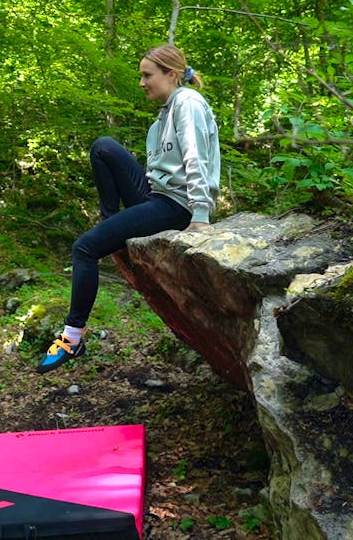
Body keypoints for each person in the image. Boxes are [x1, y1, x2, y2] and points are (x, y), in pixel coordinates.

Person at [37, 44, 221, 374]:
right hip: (158, 197)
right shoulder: (165, 113)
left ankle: (72, 338)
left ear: (171, 74)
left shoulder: (188, 103)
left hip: (178, 207)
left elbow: (197, 159)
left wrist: (201, 217)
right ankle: (112, 226)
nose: (141, 82)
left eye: (147, 75)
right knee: (104, 147)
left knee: (84, 248)